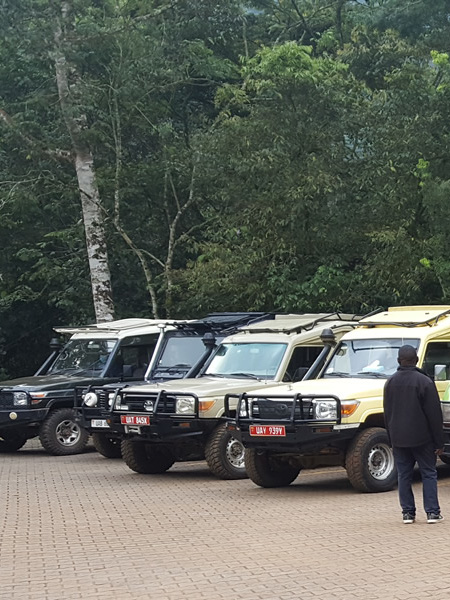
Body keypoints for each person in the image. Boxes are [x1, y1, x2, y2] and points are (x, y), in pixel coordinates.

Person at [383, 344, 445, 524]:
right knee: (428, 473)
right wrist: (439, 442)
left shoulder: (390, 382)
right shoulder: (425, 382)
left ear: (398, 361)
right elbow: (434, 415)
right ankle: (432, 513)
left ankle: (408, 513)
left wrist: (391, 438)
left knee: (404, 475)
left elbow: (387, 413)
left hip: (399, 439)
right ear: (417, 360)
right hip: (422, 438)